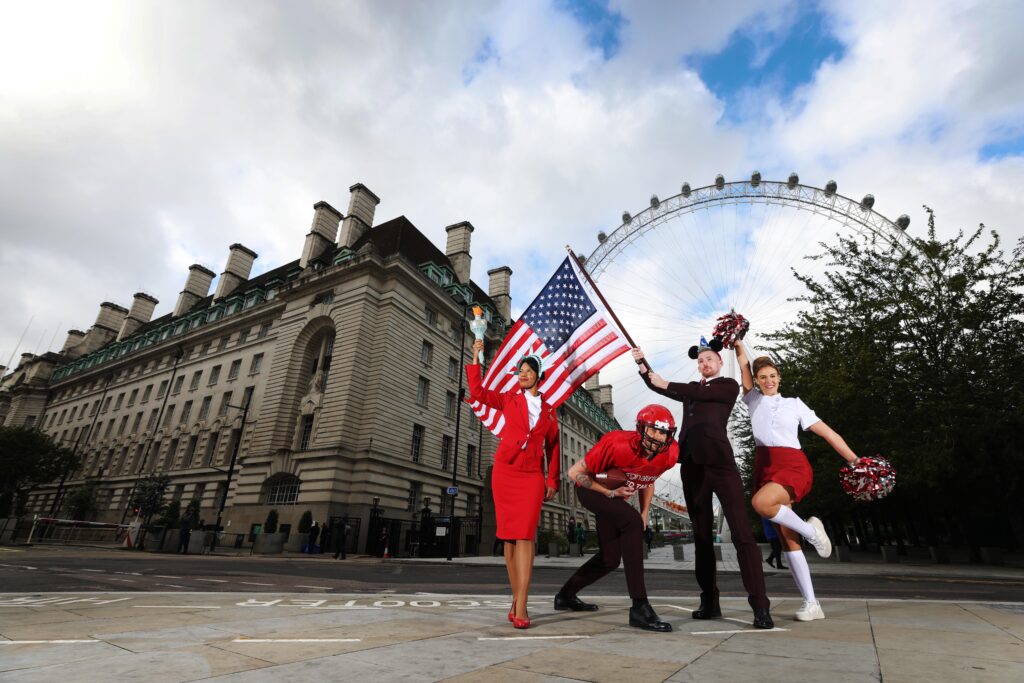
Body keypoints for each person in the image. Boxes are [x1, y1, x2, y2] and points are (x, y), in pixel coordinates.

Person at [633, 340, 773, 629]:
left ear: (719, 363)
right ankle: (710, 601)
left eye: (709, 359)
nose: (704, 364)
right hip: (693, 467)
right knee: (701, 538)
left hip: (721, 466)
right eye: (700, 361)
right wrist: (642, 364)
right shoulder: (692, 392)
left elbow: (680, 387)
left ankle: (760, 605)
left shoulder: (727, 386)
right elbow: (660, 386)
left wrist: (667, 381)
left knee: (742, 534)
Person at [735, 339, 860, 622]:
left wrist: (855, 461)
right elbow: (742, 362)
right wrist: (737, 342)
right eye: (762, 377)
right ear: (756, 381)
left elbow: (828, 434)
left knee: (761, 503)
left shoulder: (795, 404)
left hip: (792, 465)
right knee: (786, 537)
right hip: (765, 467)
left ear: (780, 378)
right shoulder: (752, 399)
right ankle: (812, 603)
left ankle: (812, 531)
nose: (768, 381)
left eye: (772, 376)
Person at [553, 404, 679, 633]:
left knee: (609, 559)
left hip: (615, 496)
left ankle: (565, 596)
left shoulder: (669, 453)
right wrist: (610, 492)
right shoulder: (617, 443)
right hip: (591, 488)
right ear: (641, 428)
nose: (659, 437)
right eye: (654, 430)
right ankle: (639, 606)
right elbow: (574, 474)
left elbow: (648, 479)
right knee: (629, 522)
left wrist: (644, 513)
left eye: (664, 432)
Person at [468, 339, 559, 629]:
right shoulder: (509, 399)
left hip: (532, 475)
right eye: (520, 369)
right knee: (509, 538)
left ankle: (522, 604)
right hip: (505, 471)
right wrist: (475, 356)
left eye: (528, 370)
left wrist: (552, 479)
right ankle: (516, 597)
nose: (522, 373)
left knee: (526, 536)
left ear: (537, 375)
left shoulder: (549, 410)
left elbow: (553, 447)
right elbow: (477, 393)